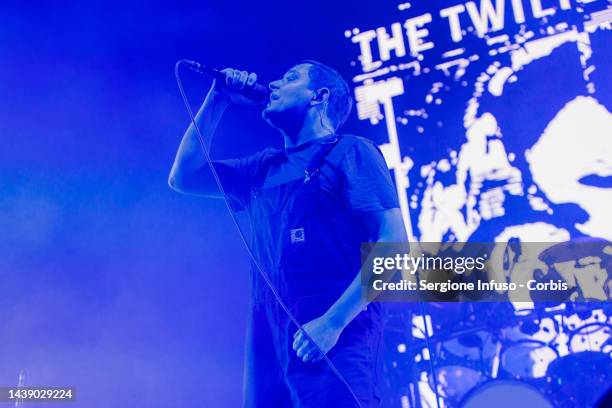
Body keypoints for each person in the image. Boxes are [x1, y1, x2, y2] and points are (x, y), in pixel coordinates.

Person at [168, 60, 407, 407]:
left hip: (334, 336)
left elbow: (394, 241)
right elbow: (184, 177)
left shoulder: (349, 151)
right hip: (269, 337)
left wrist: (332, 323)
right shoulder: (261, 168)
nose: (275, 83)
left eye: (291, 77)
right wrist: (218, 99)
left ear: (319, 96)